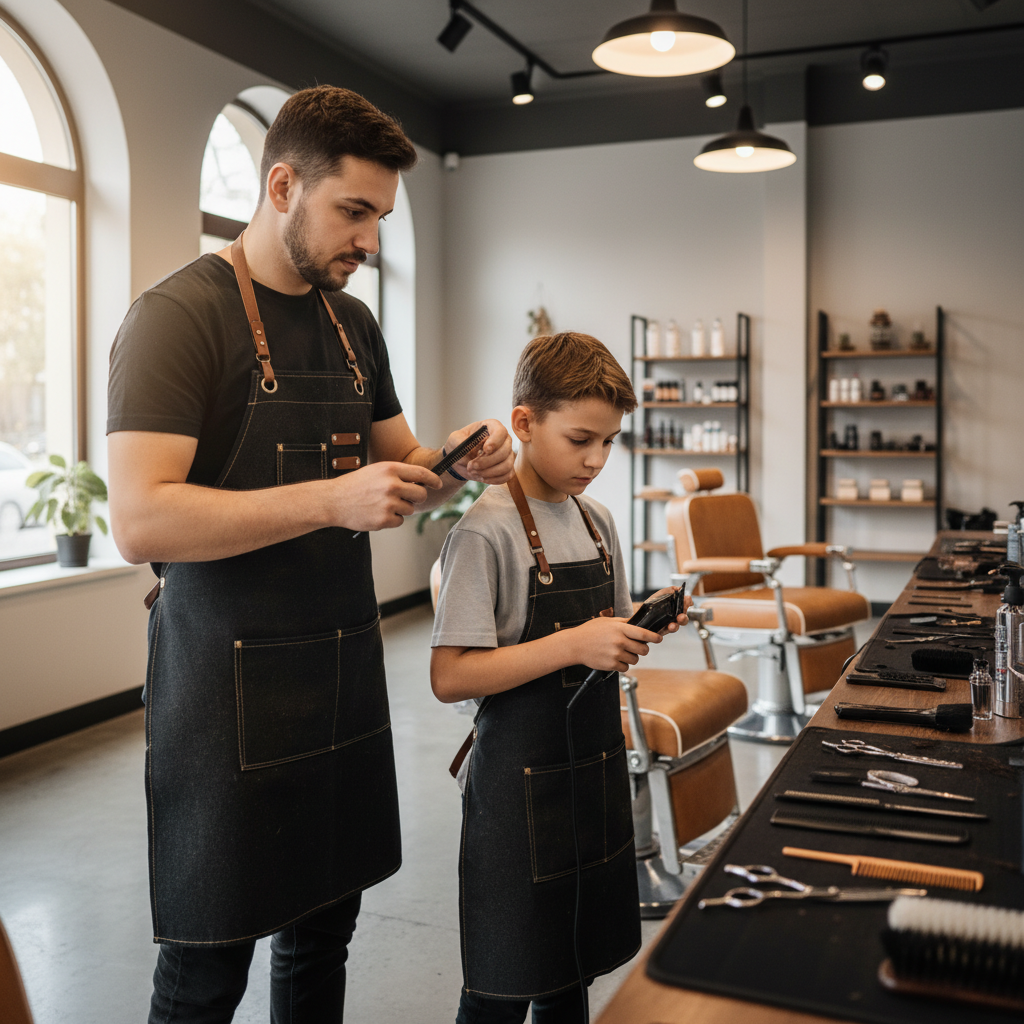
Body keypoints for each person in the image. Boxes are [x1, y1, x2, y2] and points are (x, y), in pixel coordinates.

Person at [106, 85, 513, 1023]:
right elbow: (141, 521)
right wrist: (331, 499)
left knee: (324, 932)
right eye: (354, 212)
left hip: (338, 665)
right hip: (223, 689)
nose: (369, 241)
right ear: (283, 184)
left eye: (379, 218)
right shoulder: (177, 317)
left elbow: (399, 471)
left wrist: (457, 462)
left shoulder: (350, 324)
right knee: (209, 962)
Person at [430, 333, 688, 1023]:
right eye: (580, 440)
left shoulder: (598, 521)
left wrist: (640, 626)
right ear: (523, 422)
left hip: (592, 774)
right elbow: (452, 677)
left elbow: (603, 632)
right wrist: (575, 642)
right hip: (516, 790)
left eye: (609, 443)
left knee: (569, 970)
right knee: (503, 977)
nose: (597, 460)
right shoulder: (484, 534)